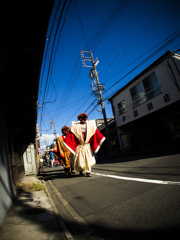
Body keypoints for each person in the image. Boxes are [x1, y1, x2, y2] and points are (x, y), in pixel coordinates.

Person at [63, 113, 105, 177]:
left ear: (86, 118)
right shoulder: (74, 126)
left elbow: (96, 134)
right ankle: (81, 171)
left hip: (87, 146)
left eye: (84, 118)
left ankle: (88, 171)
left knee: (88, 159)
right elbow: (70, 137)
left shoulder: (91, 126)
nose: (82, 119)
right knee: (80, 160)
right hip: (79, 146)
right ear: (79, 119)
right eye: (81, 118)